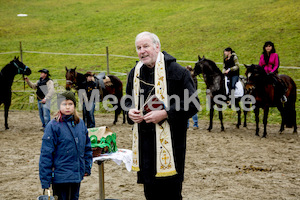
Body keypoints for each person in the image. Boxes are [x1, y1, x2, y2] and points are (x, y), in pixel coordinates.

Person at [125, 31, 199, 200]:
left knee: (171, 195)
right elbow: (127, 101)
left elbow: (193, 104)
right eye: (138, 48)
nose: (142, 51)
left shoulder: (178, 72)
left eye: (146, 46)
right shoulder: (134, 73)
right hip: (144, 146)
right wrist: (130, 112)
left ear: (157, 47)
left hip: (171, 145)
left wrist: (166, 113)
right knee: (150, 194)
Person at [39, 91, 93, 200]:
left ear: (74, 105)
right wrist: (45, 180)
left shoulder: (80, 123)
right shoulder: (53, 126)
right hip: (60, 177)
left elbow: (87, 147)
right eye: (64, 104)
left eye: (70, 104)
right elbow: (46, 154)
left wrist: (87, 167)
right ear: (59, 106)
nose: (67, 107)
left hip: (76, 176)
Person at [186, 65, 199, 129]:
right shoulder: (194, 77)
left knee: (187, 110)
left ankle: (189, 124)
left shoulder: (189, 77)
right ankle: (195, 124)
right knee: (193, 110)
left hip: (189, 95)